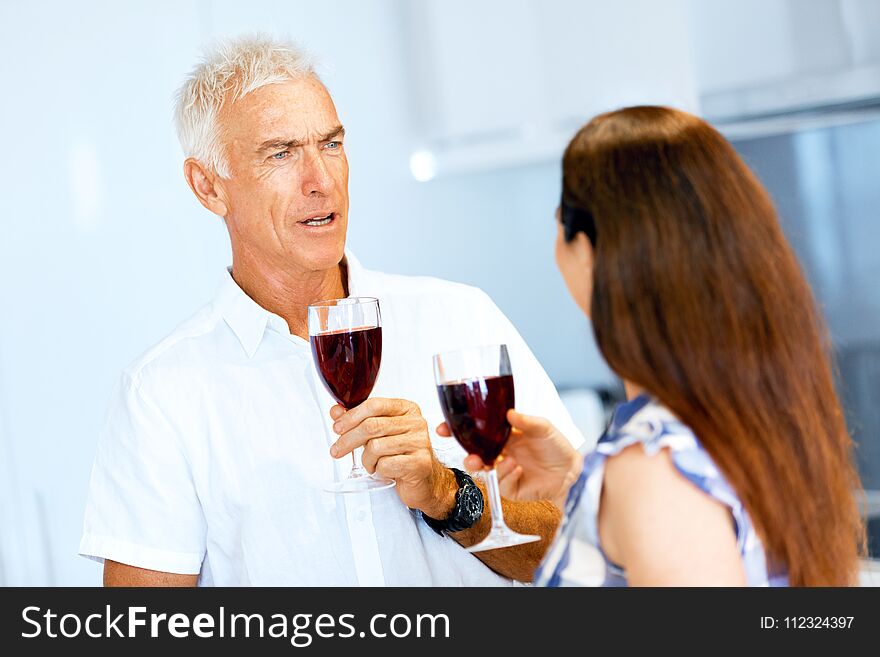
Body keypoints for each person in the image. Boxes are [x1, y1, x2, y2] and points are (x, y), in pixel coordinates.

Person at [78, 35, 583, 586]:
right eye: (281, 153)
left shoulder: (459, 318)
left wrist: (446, 494)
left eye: (332, 144)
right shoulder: (162, 394)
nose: (321, 181)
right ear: (207, 187)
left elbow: (577, 549)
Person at [446, 106, 866, 586]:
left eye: (559, 220)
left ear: (587, 249)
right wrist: (578, 486)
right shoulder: (751, 416)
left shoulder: (654, 471)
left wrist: (629, 486)